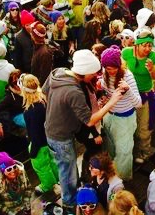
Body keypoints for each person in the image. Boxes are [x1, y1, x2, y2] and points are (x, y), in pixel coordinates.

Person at [43, 49, 126, 211]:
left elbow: (45, 93)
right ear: (85, 73)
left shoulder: (58, 73)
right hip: (61, 137)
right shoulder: (74, 91)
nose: (95, 75)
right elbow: (89, 120)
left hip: (52, 128)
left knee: (67, 167)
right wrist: (113, 100)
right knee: (68, 170)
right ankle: (70, 202)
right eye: (93, 73)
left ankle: (70, 195)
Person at [99, 45, 142, 180]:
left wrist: (128, 90)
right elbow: (107, 92)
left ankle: (120, 179)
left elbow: (138, 103)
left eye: (112, 68)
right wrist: (103, 95)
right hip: (108, 116)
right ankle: (109, 172)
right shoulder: (105, 73)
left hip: (125, 119)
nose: (109, 71)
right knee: (109, 147)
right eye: (106, 68)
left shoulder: (127, 77)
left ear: (118, 65)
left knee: (123, 152)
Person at [121, 28, 155, 164]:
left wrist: (151, 70)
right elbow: (122, 71)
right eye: (144, 45)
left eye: (150, 45)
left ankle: (144, 150)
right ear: (137, 44)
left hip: (145, 95)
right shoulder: (126, 53)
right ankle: (130, 151)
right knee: (129, 126)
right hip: (129, 95)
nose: (147, 48)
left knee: (144, 127)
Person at [21, 73, 59, 197]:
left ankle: (47, 185)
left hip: (39, 143)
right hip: (49, 139)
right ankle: (57, 178)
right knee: (52, 162)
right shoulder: (43, 101)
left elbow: (35, 133)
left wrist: (33, 151)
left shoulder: (30, 111)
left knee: (41, 166)